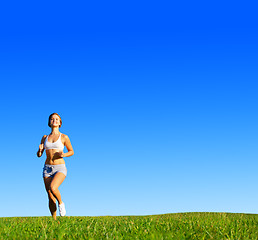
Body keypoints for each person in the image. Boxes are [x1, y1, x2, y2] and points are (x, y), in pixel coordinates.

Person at [37, 113, 74, 220]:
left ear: (60, 123)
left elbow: (72, 151)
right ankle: (54, 220)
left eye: (57, 119)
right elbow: (39, 155)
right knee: (50, 196)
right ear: (49, 122)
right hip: (47, 168)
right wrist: (39, 150)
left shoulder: (64, 137)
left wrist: (64, 154)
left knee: (53, 188)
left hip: (60, 167)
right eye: (52, 119)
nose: (54, 120)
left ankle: (61, 203)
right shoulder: (45, 137)